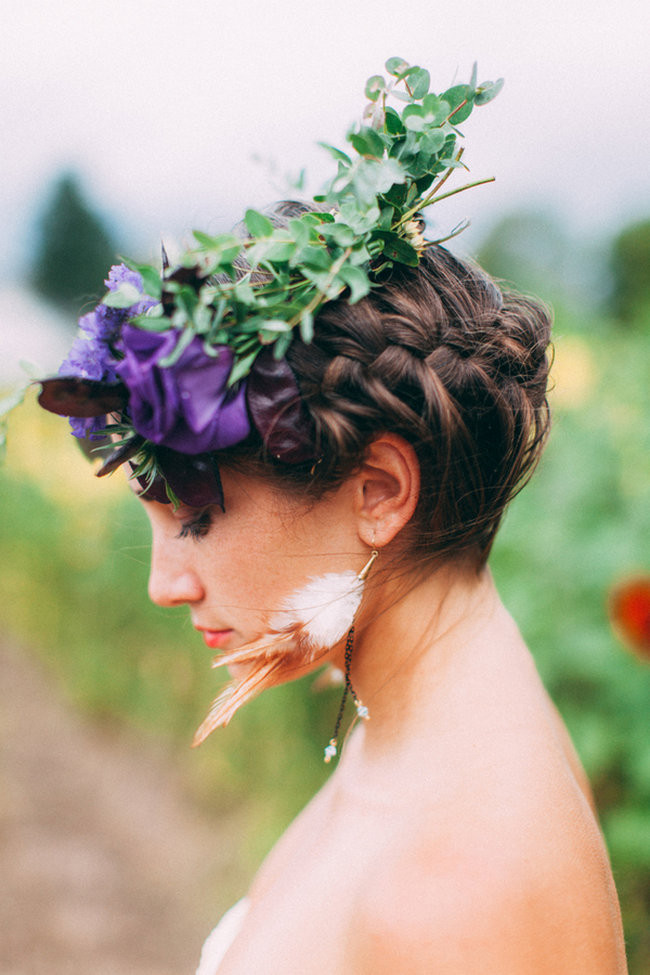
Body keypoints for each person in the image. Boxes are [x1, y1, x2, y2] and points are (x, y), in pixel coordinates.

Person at [35, 61, 627, 973]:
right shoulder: (415, 731)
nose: (163, 585)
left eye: (194, 518)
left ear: (381, 491)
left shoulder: (462, 896)